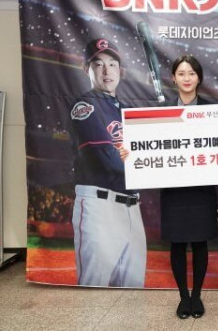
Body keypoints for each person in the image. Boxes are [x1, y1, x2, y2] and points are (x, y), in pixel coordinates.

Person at [120, 55, 218, 319]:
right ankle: (183, 297)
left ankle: (196, 296)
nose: (187, 78)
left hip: (201, 190)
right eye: (182, 74)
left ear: (199, 78)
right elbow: (144, 148)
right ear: (173, 78)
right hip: (173, 190)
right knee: (176, 244)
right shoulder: (159, 112)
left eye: (191, 74)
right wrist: (129, 153)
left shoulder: (213, 112)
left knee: (199, 243)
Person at [69, 38, 146, 287]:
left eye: (112, 64)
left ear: (120, 71)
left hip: (132, 207)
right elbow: (107, 158)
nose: (106, 70)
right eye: (98, 64)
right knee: (95, 287)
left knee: (133, 289)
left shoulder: (126, 111)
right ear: (87, 69)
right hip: (100, 206)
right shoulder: (85, 106)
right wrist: (153, 167)